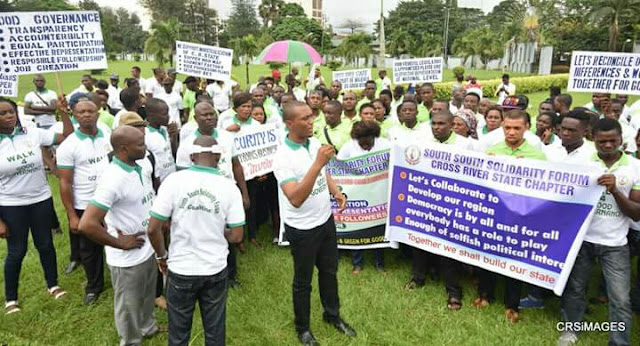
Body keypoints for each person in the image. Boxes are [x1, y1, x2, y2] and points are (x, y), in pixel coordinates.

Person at [147, 135, 245, 346]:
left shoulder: (173, 181)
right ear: (218, 156)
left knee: (178, 333)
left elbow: (154, 228)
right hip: (215, 269)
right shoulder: (230, 188)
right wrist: (220, 232)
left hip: (181, 268)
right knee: (215, 330)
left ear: (191, 156)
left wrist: (161, 255)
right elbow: (237, 235)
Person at [274, 100, 355, 345]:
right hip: (302, 229)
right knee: (303, 281)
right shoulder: (282, 157)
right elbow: (296, 198)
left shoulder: (314, 143)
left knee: (329, 272)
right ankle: (304, 329)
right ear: (289, 124)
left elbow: (324, 172)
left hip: (325, 220)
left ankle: (332, 315)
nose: (312, 122)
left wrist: (336, 192)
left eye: (312, 116)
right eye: (305, 119)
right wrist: (317, 162)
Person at [78, 125, 161, 345]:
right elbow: (87, 224)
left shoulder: (141, 165)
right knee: (128, 304)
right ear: (124, 149)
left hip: (148, 247)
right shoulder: (112, 179)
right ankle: (131, 340)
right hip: (128, 258)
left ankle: (148, 327)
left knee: (146, 294)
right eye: (141, 144)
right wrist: (119, 243)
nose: (146, 147)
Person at [559, 118, 639, 346]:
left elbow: (636, 213)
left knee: (621, 298)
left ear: (621, 140)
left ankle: (619, 341)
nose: (607, 145)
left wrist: (615, 191)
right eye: (602, 141)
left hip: (615, 244)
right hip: (582, 240)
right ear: (593, 139)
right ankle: (570, 330)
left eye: (613, 140)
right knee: (575, 288)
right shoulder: (581, 163)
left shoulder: (635, 167)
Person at [1, 96, 73, 314]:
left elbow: (67, 136)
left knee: (45, 245)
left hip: (40, 199)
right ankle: (11, 299)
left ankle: (53, 285)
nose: (8, 116)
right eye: (2, 113)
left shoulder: (32, 132)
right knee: (17, 251)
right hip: (11, 205)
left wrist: (63, 113)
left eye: (11, 111)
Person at [474, 110, 546, 324]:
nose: (512, 132)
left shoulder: (537, 156)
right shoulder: (492, 151)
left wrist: (528, 170)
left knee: (514, 261)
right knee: (488, 256)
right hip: (495, 215)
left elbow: (543, 189)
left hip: (521, 217)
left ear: (527, 128)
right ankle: (485, 295)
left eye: (517, 128)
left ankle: (511, 305)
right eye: (508, 127)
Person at [56, 98, 110, 306]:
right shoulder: (69, 146)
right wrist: (71, 215)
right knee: (89, 249)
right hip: (86, 204)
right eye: (81, 112)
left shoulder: (106, 131)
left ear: (98, 113)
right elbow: (65, 182)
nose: (87, 114)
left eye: (91, 111)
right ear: (74, 115)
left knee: (116, 239)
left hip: (112, 200)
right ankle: (94, 287)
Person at [337, 120, 390, 274]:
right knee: (357, 227)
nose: (365, 146)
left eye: (368, 143)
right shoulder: (349, 146)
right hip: (357, 193)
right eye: (362, 144)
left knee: (378, 228)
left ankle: (380, 263)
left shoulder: (385, 145)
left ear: (375, 136)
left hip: (379, 194)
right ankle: (357, 263)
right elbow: (339, 167)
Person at [144, 98, 178, 182]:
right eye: (164, 114)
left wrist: (174, 137)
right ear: (152, 115)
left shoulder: (164, 130)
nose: (168, 116)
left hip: (171, 179)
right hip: (159, 183)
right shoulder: (145, 135)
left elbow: (172, 153)